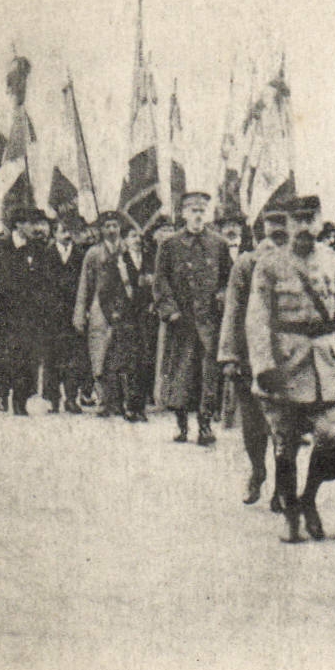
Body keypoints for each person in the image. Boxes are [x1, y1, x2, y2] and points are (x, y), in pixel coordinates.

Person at [245, 196, 335, 542]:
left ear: (320, 221)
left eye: (310, 219)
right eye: (296, 220)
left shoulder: (334, 260)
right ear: (287, 223)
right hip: (285, 364)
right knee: (285, 443)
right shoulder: (269, 264)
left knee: (328, 434)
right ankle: (290, 512)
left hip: (326, 362)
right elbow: (257, 318)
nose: (303, 227)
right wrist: (263, 364)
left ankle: (309, 498)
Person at [218, 211, 288, 507]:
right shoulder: (246, 265)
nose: (277, 243)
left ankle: (283, 487)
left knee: (286, 425)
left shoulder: (296, 264)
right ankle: (258, 470)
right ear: (259, 236)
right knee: (253, 423)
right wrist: (230, 356)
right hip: (250, 355)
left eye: (283, 236)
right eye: (271, 236)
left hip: (287, 356)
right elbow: (233, 311)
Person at [154, 191, 233, 445]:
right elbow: (161, 282)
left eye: (202, 210)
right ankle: (181, 424)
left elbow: (227, 280)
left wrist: (222, 297)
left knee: (208, 374)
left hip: (209, 322)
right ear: (184, 213)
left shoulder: (218, 244)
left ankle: (206, 425)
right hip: (182, 322)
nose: (198, 215)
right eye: (193, 210)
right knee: (180, 373)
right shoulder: (170, 244)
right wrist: (171, 311)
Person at [0, 206, 51, 415]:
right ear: (18, 225)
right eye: (29, 223)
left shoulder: (37, 249)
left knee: (25, 357)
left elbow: (44, 281)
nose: (33, 228)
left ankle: (20, 401)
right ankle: (3, 393)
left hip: (27, 313)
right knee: (4, 356)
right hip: (2, 312)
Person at [99, 220, 156, 422]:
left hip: (146, 318)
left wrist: (154, 305)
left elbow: (156, 288)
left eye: (139, 236)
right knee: (126, 363)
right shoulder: (117, 262)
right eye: (132, 236)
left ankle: (139, 407)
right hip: (125, 319)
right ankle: (126, 405)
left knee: (144, 362)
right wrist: (112, 314)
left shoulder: (151, 260)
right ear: (124, 240)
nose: (137, 240)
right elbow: (104, 292)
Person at [74, 212, 128, 415]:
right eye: (107, 226)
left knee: (121, 352)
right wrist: (80, 312)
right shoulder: (94, 254)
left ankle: (121, 400)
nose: (112, 230)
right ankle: (103, 399)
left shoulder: (127, 249)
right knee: (99, 352)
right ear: (101, 230)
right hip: (99, 306)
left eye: (115, 226)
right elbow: (84, 285)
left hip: (123, 306)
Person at [41, 216, 89, 413]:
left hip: (73, 313)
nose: (67, 235)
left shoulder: (80, 255)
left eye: (69, 231)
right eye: (63, 231)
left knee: (73, 358)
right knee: (51, 358)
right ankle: (53, 399)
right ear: (55, 234)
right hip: (51, 315)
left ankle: (71, 398)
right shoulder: (46, 254)